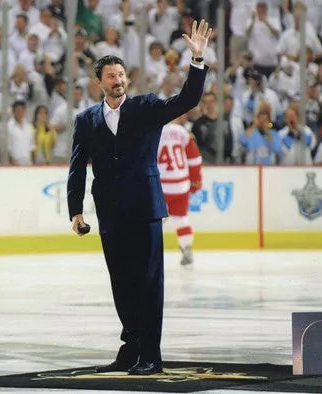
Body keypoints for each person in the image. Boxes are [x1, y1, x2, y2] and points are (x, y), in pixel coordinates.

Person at [67, 19, 211, 375]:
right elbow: (76, 168)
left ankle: (151, 354)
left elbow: (188, 99)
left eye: (121, 75)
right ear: (99, 82)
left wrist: (196, 60)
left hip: (145, 208)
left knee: (148, 283)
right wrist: (76, 211)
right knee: (121, 282)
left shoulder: (146, 107)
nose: (118, 81)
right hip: (110, 212)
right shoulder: (86, 120)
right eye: (111, 77)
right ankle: (129, 350)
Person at [158, 113, 202, 266]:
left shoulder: (155, 132)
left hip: (162, 185)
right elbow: (195, 159)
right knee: (181, 218)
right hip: (181, 184)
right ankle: (186, 248)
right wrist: (196, 180)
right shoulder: (184, 133)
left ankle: (152, 253)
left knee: (155, 220)